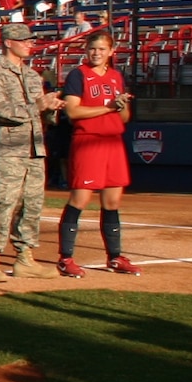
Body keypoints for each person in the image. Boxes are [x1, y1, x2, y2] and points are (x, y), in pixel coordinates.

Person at [0, 23, 63, 281]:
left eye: (30, 40)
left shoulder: (33, 76)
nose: (29, 44)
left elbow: (44, 117)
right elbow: (0, 111)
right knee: (1, 203)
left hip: (34, 148)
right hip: (8, 148)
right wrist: (37, 105)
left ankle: (24, 257)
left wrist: (52, 108)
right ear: (7, 42)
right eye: (23, 40)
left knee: (31, 205)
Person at [55, 31, 140, 277]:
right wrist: (108, 107)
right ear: (86, 50)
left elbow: (124, 118)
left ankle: (114, 257)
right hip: (88, 141)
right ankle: (65, 258)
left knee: (112, 202)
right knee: (79, 200)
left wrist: (121, 107)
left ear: (111, 52)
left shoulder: (116, 77)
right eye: (93, 48)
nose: (96, 53)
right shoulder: (78, 75)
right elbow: (73, 112)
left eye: (102, 49)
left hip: (113, 142)